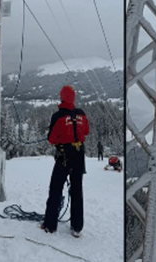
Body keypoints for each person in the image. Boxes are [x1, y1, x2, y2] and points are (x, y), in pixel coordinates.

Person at [42, 85, 90, 237]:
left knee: (55, 189)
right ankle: (77, 227)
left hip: (64, 156)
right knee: (77, 191)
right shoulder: (81, 114)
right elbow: (86, 131)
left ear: (62, 97)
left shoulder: (58, 116)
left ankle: (50, 225)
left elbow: (51, 139)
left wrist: (63, 137)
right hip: (79, 156)